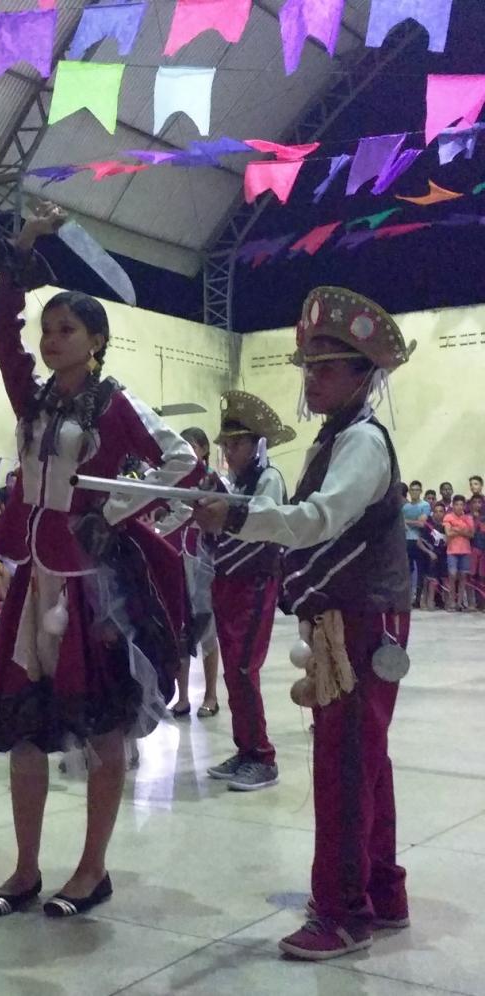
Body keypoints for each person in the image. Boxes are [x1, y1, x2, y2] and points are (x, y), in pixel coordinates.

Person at [0, 202, 197, 922]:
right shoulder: (32, 397)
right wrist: (24, 247)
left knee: (101, 726)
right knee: (24, 726)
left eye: (66, 330)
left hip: (91, 589)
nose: (49, 340)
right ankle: (24, 868)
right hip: (33, 581)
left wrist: (112, 513)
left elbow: (180, 460)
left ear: (95, 341)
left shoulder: (116, 402)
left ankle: (92, 869)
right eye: (47, 330)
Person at [196, 285, 415, 961]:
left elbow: (319, 521)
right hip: (353, 618)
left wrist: (234, 516)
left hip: (363, 622)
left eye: (326, 366)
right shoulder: (343, 437)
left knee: (345, 766)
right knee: (364, 761)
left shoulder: (363, 443)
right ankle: (381, 892)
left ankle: (344, 912)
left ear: (363, 374)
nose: (311, 376)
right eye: (309, 365)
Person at [204, 392, 295, 792]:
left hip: (256, 583)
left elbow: (259, 531)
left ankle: (262, 756)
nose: (228, 451)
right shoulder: (237, 481)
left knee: (243, 669)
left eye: (236, 444)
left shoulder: (268, 479)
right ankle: (245, 750)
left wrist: (220, 520)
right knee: (233, 672)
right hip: (228, 584)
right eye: (225, 445)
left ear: (257, 445)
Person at [161, 427, 221, 720]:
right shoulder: (173, 477)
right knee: (180, 628)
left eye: (191, 445)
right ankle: (182, 696)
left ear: (204, 449)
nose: (185, 450)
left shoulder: (213, 481)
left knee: (206, 626)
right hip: (176, 554)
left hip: (202, 558)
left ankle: (211, 694)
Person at [442, 495, 474, 611]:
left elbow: (471, 534)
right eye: (457, 504)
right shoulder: (448, 516)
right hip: (452, 550)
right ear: (453, 505)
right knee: (452, 575)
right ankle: (451, 602)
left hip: (465, 550)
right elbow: (448, 533)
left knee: (463, 577)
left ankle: (459, 603)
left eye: (461, 504)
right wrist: (462, 531)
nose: (459, 507)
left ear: (464, 506)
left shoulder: (468, 518)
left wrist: (456, 529)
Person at [402, 481, 431, 596]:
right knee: (407, 570)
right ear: (409, 492)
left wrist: (406, 521)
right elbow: (401, 524)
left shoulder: (424, 505)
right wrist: (409, 522)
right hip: (406, 541)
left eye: (417, 489)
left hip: (420, 542)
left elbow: (421, 524)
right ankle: (408, 597)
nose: (414, 492)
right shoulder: (405, 507)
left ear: (420, 491)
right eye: (412, 490)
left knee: (421, 571)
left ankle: (420, 598)